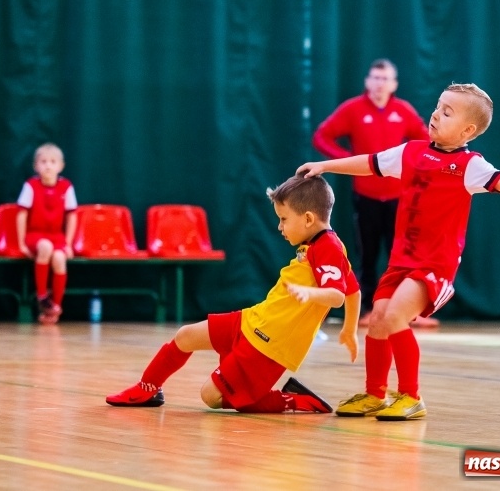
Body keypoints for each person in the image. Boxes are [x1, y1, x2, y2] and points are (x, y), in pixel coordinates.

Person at [298, 83, 500, 420]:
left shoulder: (470, 165)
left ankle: (411, 396)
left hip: (436, 264)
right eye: (438, 106)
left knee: (394, 316)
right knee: (377, 321)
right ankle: (375, 394)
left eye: (447, 111)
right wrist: (325, 166)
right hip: (400, 261)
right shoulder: (411, 152)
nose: (436, 113)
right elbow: (371, 163)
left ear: (467, 130)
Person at [106, 174, 361, 413]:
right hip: (255, 320)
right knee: (186, 336)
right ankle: (147, 389)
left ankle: (293, 399)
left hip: (270, 344)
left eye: (284, 219)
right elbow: (353, 289)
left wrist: (311, 294)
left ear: (307, 219)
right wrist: (349, 329)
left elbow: (337, 295)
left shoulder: (329, 247)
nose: (279, 227)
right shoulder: (320, 244)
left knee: (211, 397)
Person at [313, 59, 435, 328]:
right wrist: (347, 160)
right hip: (366, 195)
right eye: (375, 78)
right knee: (366, 254)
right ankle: (368, 309)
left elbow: (428, 141)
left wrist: (415, 166)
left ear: (394, 84)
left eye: (385, 79)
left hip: (400, 198)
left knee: (403, 253)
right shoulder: (353, 109)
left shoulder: (402, 111)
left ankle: (408, 311)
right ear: (368, 81)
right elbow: (322, 136)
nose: (380, 84)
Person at [16, 143, 78, 324]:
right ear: (36, 166)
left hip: (57, 237)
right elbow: (21, 214)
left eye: (53, 162)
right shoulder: (31, 186)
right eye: (43, 162)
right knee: (46, 247)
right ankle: (42, 296)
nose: (48, 166)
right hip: (35, 236)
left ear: (61, 166)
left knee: (59, 258)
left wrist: (67, 243)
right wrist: (21, 243)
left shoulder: (66, 187)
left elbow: (72, 216)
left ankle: (55, 307)